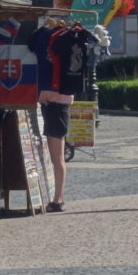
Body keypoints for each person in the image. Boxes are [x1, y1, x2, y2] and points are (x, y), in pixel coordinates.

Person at [30, 16, 96, 212]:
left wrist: (45, 27)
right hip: (57, 101)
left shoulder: (46, 36)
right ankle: (56, 197)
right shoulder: (68, 37)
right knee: (54, 155)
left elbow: (30, 44)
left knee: (56, 156)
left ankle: (58, 198)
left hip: (54, 102)